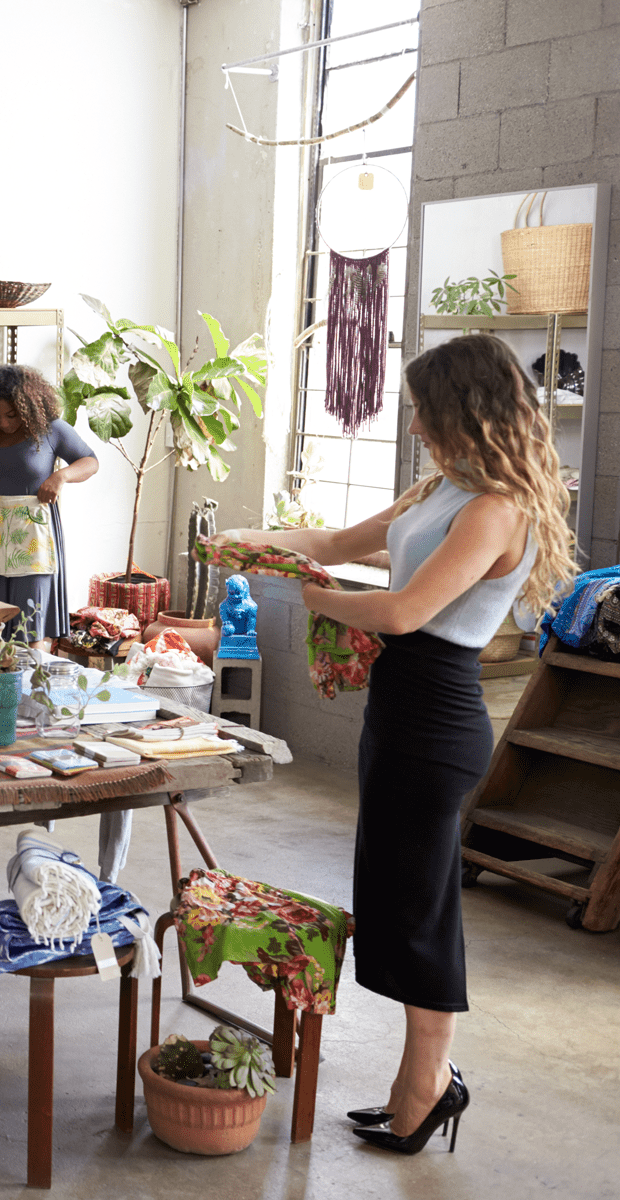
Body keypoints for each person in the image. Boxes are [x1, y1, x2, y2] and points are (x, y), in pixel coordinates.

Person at [211, 334, 574, 1153]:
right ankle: (422, 1082)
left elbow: (406, 612)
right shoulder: (443, 486)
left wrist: (308, 595)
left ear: (466, 409)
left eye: (423, 407)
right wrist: (252, 543)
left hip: (438, 715)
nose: (414, 420)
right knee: (399, 900)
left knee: (420, 913)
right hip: (400, 711)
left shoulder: (497, 509)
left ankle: (429, 1087)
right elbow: (338, 545)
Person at [0, 365, 99, 648]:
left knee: (32, 622)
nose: (4, 423)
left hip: (32, 536)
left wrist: (61, 476)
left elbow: (90, 461)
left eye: (11, 415)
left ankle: (36, 686)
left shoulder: (50, 429)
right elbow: (0, 469)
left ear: (26, 405)